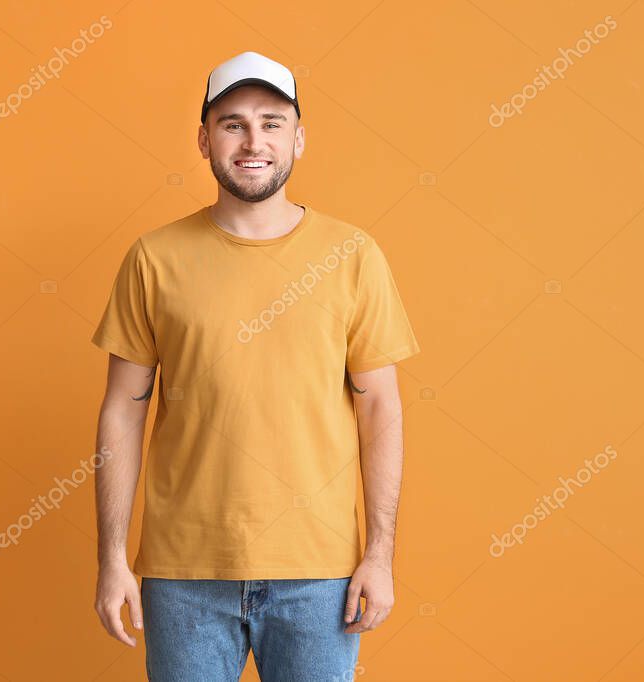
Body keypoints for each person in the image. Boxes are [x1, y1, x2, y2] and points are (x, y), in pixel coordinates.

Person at [91, 50, 420, 682]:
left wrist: (379, 555)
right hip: (183, 575)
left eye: (272, 122)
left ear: (299, 137)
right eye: (232, 123)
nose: (253, 141)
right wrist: (111, 557)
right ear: (204, 139)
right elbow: (122, 410)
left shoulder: (352, 255)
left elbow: (381, 406)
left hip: (320, 575)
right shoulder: (153, 259)